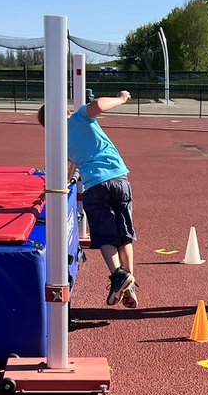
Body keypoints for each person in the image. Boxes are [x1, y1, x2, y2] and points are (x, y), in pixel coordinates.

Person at [38, 91, 139, 306]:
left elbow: (70, 165)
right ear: (66, 112)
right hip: (119, 179)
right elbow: (98, 105)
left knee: (105, 237)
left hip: (94, 186)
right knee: (124, 235)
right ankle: (128, 282)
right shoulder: (80, 117)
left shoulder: (59, 142)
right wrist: (121, 99)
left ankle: (119, 275)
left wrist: (66, 183)